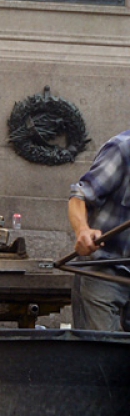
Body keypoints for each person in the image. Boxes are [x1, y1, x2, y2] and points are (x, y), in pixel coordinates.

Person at [68, 129, 130, 331]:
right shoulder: (122, 149)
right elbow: (80, 196)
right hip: (104, 269)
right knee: (101, 355)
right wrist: (83, 231)